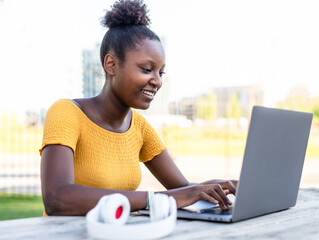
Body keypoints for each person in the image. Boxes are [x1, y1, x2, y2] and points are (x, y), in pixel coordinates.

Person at [40, 0, 237, 216]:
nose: (157, 81)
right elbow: (57, 198)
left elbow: (181, 189)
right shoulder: (67, 113)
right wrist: (158, 199)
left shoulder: (139, 127)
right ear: (111, 64)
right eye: (146, 69)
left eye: (160, 73)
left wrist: (215, 188)